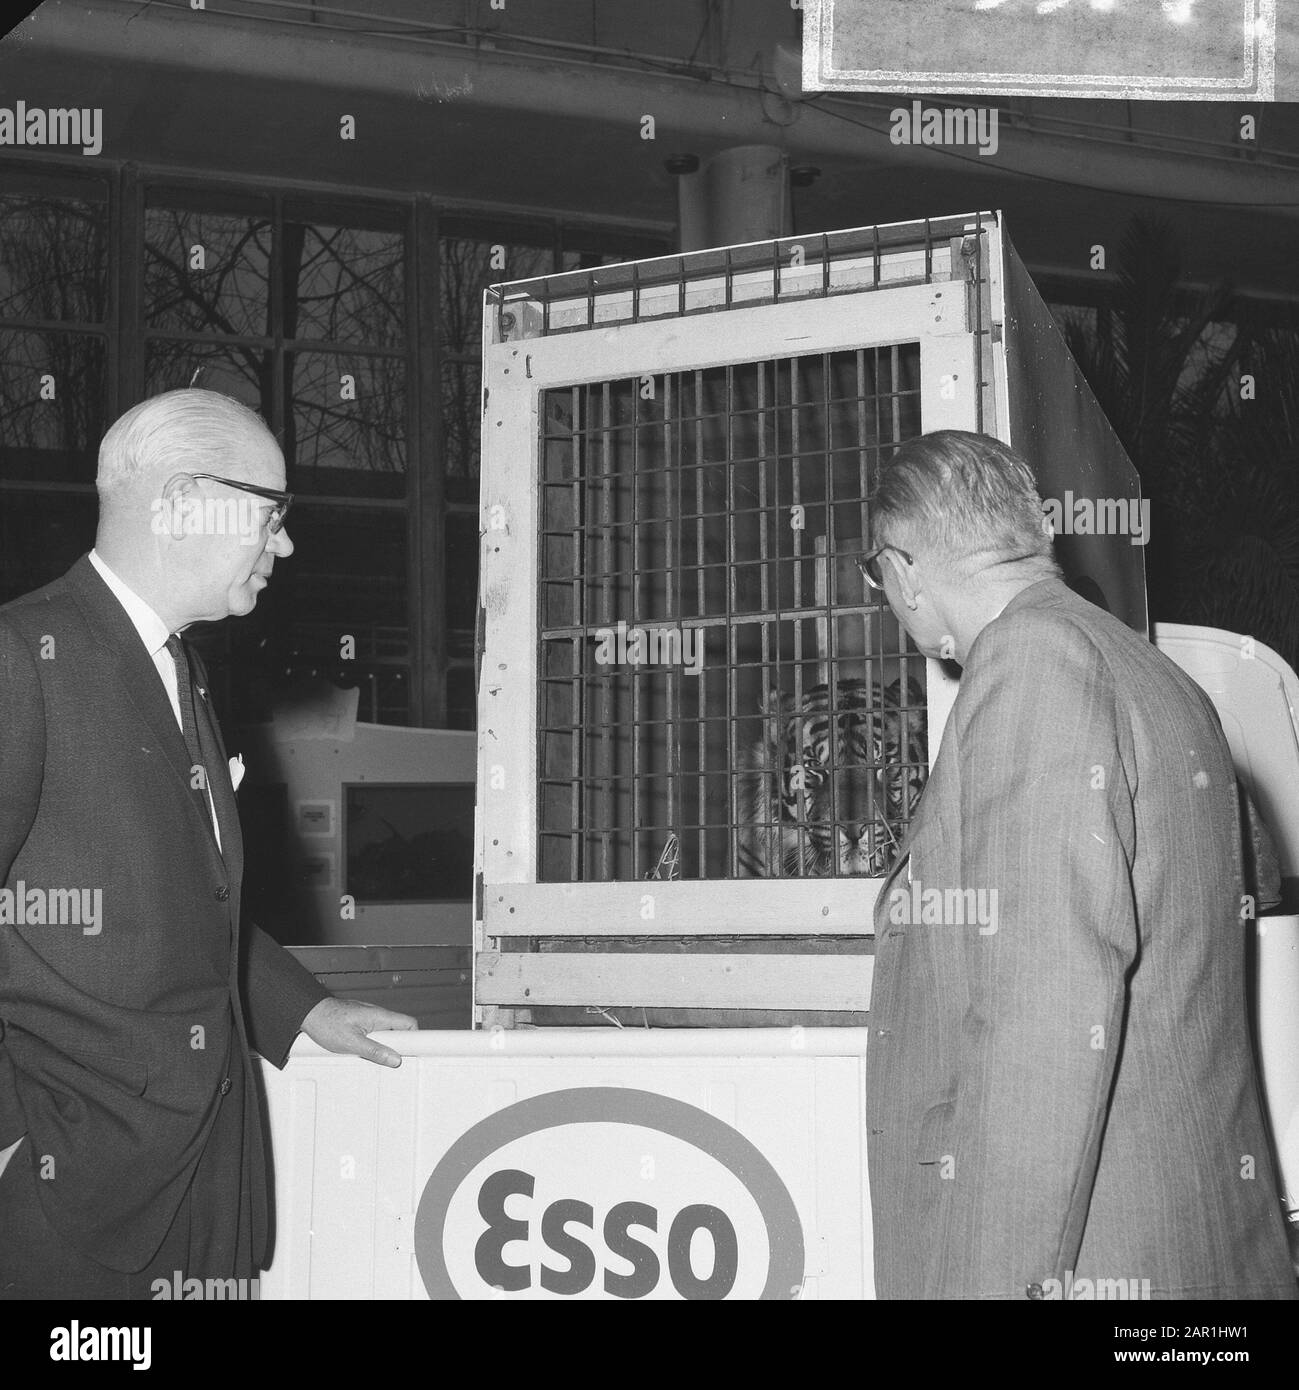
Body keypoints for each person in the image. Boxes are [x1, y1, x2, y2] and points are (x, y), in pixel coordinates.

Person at [860, 429, 1296, 1300]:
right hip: (1187, 1242)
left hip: (1092, 1252)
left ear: (903, 570)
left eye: (880, 583)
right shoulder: (1156, 675)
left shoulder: (1029, 664)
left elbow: (1042, 1014)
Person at [0, 389, 417, 1299]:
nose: (286, 543)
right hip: (66, 1197)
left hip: (203, 1181)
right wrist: (16, 1140)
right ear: (187, 500)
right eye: (271, 516)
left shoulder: (178, 667)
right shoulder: (19, 660)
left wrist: (306, 1013)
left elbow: (188, 902)